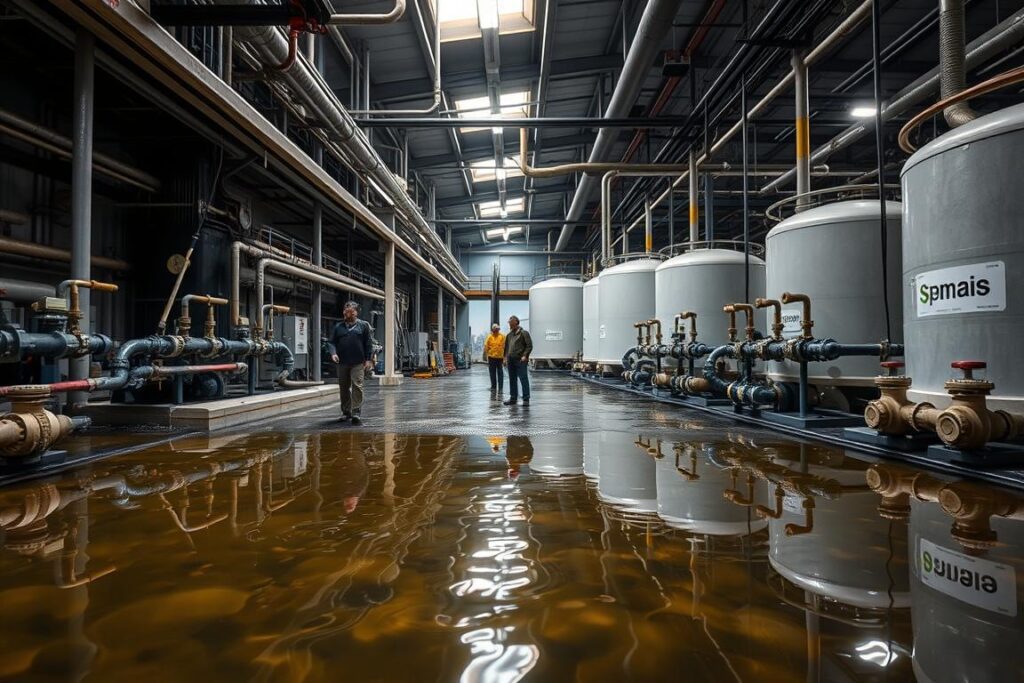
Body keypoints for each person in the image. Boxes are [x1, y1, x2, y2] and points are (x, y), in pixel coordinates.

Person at [328, 301, 374, 424]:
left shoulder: (363, 326)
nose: (346, 313)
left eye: (349, 311)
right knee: (344, 387)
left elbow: (368, 343)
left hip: (358, 362)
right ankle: (346, 412)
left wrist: (368, 359)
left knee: (357, 386)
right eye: (345, 311)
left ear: (355, 312)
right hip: (342, 362)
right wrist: (333, 353)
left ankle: (356, 412)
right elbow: (331, 342)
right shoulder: (338, 327)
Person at [503, 315, 533, 406]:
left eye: (510, 322)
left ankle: (526, 399)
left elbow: (529, 346)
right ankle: (513, 398)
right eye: (509, 322)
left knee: (523, 379)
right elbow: (506, 348)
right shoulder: (509, 335)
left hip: (520, 360)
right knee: (512, 379)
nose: (509, 324)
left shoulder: (524, 333)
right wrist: (505, 358)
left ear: (516, 322)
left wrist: (525, 355)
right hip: (510, 360)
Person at [483, 323, 505, 396]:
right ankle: (493, 387)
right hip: (491, 357)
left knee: (500, 373)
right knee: (492, 373)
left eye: (497, 329)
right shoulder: (489, 337)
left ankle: (501, 387)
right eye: (495, 329)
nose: (496, 330)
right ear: (492, 330)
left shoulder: (502, 336)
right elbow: (486, 346)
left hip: (500, 358)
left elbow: (505, 346)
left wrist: (505, 357)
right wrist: (486, 356)